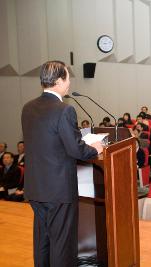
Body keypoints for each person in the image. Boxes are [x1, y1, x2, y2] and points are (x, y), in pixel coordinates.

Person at [21, 61, 103, 267]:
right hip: (58, 190)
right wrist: (95, 148)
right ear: (58, 81)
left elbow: (46, 143)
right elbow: (76, 150)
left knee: (43, 240)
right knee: (62, 244)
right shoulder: (64, 110)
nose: (69, 82)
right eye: (67, 77)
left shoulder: (28, 108)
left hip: (36, 188)